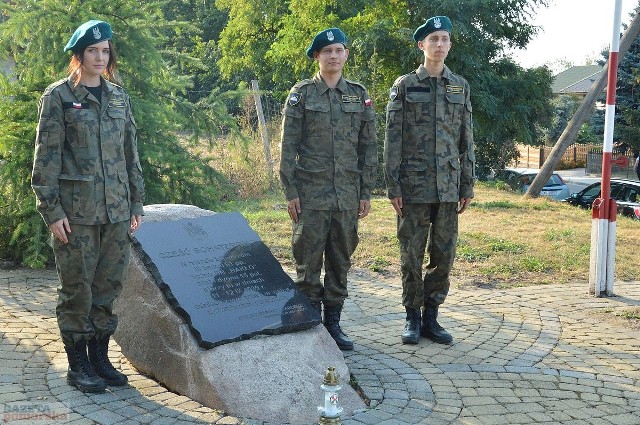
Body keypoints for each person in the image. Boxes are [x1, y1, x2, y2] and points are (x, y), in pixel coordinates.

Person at [31, 20, 145, 392]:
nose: (100, 57)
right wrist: (52, 212)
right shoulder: (59, 97)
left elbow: (131, 155)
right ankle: (78, 364)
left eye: (105, 51)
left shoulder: (118, 97)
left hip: (115, 212)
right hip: (76, 215)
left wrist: (135, 203)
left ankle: (99, 357)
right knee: (77, 289)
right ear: (79, 56)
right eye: (93, 51)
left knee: (107, 287)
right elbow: (45, 159)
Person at [279, 27, 377, 350]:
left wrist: (366, 192)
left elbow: (369, 146)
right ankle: (310, 325)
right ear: (317, 57)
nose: (333, 56)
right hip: (310, 196)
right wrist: (290, 191)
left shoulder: (359, 95)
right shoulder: (302, 95)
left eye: (338, 50)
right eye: (327, 52)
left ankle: (333, 324)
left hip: (347, 195)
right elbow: (287, 147)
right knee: (308, 262)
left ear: (346, 54)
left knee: (340, 260)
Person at [383, 16, 475, 345]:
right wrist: (393, 185)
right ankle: (411, 316)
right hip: (414, 187)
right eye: (433, 39)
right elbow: (392, 140)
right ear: (422, 45)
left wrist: (467, 184)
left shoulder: (459, 86)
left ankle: (431, 318)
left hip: (449, 187)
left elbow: (467, 139)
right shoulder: (405, 85)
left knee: (443, 255)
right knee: (411, 254)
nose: (439, 44)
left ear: (450, 45)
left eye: (444, 39)